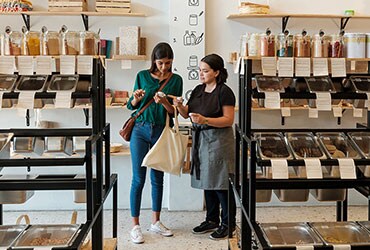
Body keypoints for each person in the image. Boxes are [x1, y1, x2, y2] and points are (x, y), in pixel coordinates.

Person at [174, 53, 236, 240]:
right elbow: (187, 115)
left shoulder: (225, 92)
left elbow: (228, 120)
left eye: (205, 70)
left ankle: (228, 224)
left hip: (219, 141)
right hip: (202, 141)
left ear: (217, 72)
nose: (201, 74)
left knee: (221, 184)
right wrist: (179, 106)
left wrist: (205, 120)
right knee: (208, 183)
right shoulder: (198, 90)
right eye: (199, 70)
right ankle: (212, 219)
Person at [127, 42, 183, 244]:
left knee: (158, 178)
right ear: (154, 60)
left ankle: (156, 221)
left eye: (168, 63)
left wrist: (166, 102)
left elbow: (174, 112)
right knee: (138, 179)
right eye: (161, 63)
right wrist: (136, 98)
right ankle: (135, 226)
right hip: (140, 129)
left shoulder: (176, 80)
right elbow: (130, 106)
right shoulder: (142, 76)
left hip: (160, 130)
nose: (164, 67)